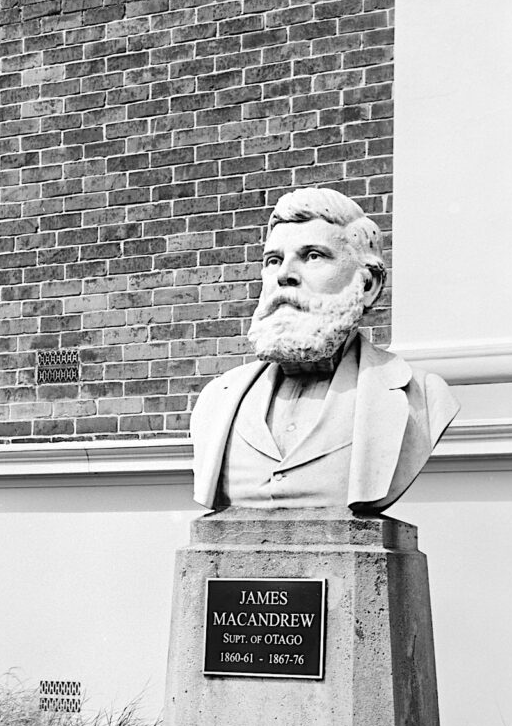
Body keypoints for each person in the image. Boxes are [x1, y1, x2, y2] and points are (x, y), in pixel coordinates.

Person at [190, 186, 459, 513]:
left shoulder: (423, 396)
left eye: (312, 256)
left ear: (368, 284)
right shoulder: (217, 399)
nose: (285, 275)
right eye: (274, 260)